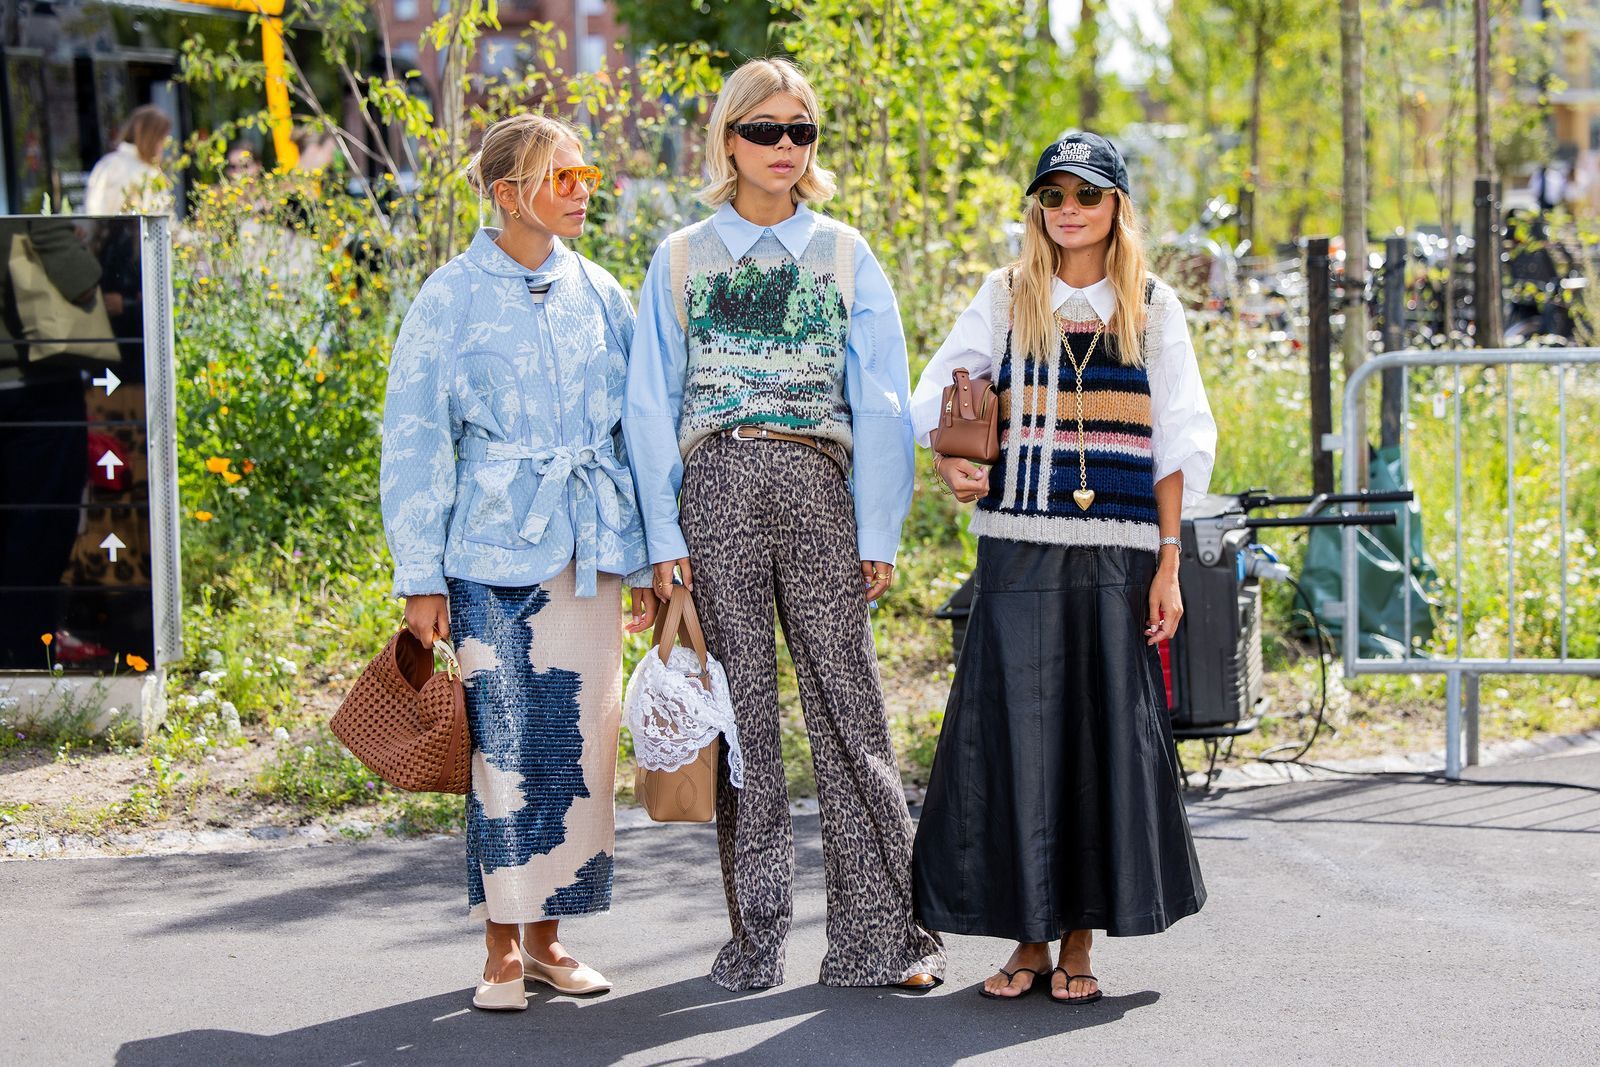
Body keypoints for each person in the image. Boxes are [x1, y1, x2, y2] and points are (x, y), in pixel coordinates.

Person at [623, 56, 945, 992]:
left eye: (799, 131)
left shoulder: (845, 253)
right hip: (714, 485)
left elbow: (882, 399)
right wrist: (661, 538)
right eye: (763, 130)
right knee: (746, 721)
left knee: (852, 711)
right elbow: (652, 401)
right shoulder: (680, 256)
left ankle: (879, 938)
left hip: (816, 483)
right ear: (728, 139)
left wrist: (877, 528)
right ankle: (756, 940)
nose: (782, 148)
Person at [908, 131, 1216, 1003]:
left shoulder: (1152, 307)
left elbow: (1176, 443)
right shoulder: (1006, 297)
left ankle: (1079, 944)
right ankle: (1028, 941)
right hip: (1018, 552)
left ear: (1117, 204)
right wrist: (951, 459)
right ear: (1038, 208)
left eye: (1087, 193)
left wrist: (1168, 564)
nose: (1069, 209)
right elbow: (939, 396)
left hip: (1117, 558)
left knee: (1096, 750)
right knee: (1017, 746)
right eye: (1053, 195)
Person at [380, 113, 659, 1012]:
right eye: (564, 177)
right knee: (501, 748)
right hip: (489, 551)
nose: (584, 190)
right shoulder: (448, 297)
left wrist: (654, 557)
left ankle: (550, 937)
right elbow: (416, 438)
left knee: (579, 745)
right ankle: (500, 945)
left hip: (592, 550)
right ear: (509, 194)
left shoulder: (606, 293)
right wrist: (420, 574)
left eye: (588, 175)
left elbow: (637, 433)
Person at [84, 105, 172, 215]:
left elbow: (91, 211)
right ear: (151, 139)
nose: (164, 145)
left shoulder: (107, 163)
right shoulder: (147, 172)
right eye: (162, 139)